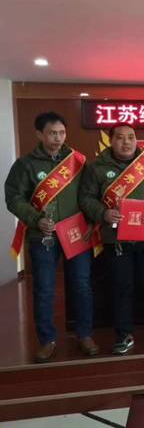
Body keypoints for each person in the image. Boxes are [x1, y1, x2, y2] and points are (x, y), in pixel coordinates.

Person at [5, 112, 98, 362]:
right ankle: (47, 340)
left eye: (61, 133)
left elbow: (89, 195)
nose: (58, 138)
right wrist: (36, 219)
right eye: (52, 133)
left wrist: (91, 221)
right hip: (42, 235)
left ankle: (85, 334)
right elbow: (13, 198)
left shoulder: (77, 161)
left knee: (82, 285)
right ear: (39, 134)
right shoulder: (25, 164)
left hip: (76, 233)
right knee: (45, 289)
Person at [79, 123, 144, 355]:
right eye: (120, 137)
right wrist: (103, 213)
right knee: (121, 287)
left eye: (131, 137)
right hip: (117, 238)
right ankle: (123, 334)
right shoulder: (97, 168)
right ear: (111, 140)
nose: (126, 142)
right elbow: (86, 198)